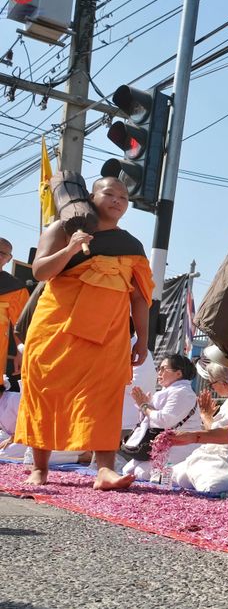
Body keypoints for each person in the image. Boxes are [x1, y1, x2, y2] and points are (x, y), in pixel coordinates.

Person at [15, 177, 152, 490]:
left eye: (123, 196)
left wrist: (142, 339)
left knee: (104, 397)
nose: (118, 200)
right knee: (46, 392)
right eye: (109, 193)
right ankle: (40, 467)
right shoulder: (60, 230)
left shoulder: (131, 245)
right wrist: (73, 246)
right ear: (92, 196)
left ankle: (104, 469)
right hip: (56, 329)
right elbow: (40, 272)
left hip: (108, 333)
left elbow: (140, 298)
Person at [167, 346, 228, 493]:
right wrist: (206, 417)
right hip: (212, 453)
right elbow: (217, 431)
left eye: (212, 383)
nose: (211, 388)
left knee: (211, 484)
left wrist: (194, 435)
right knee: (174, 474)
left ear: (224, 383)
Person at [123, 353, 202, 481]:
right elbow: (149, 420)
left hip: (181, 446)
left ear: (178, 373)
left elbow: (164, 420)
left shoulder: (182, 393)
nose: (159, 372)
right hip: (162, 444)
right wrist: (146, 406)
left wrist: (144, 406)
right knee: (128, 470)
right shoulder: (167, 392)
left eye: (163, 369)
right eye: (158, 368)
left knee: (141, 473)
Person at [0, 238, 28, 380]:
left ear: (9, 259)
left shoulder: (15, 288)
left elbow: (20, 324)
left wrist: (21, 352)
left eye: (3, 254)